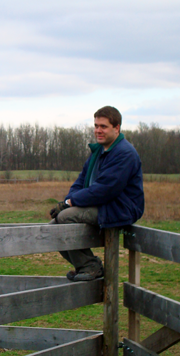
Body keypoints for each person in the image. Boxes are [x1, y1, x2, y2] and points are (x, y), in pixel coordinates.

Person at [49, 106, 144, 281]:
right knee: (53, 227)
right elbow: (81, 181)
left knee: (65, 218)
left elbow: (105, 189)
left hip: (119, 208)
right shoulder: (99, 152)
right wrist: (68, 199)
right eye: (96, 126)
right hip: (102, 204)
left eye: (103, 126)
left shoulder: (124, 153)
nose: (98, 130)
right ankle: (84, 266)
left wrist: (69, 204)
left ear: (117, 128)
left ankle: (90, 266)